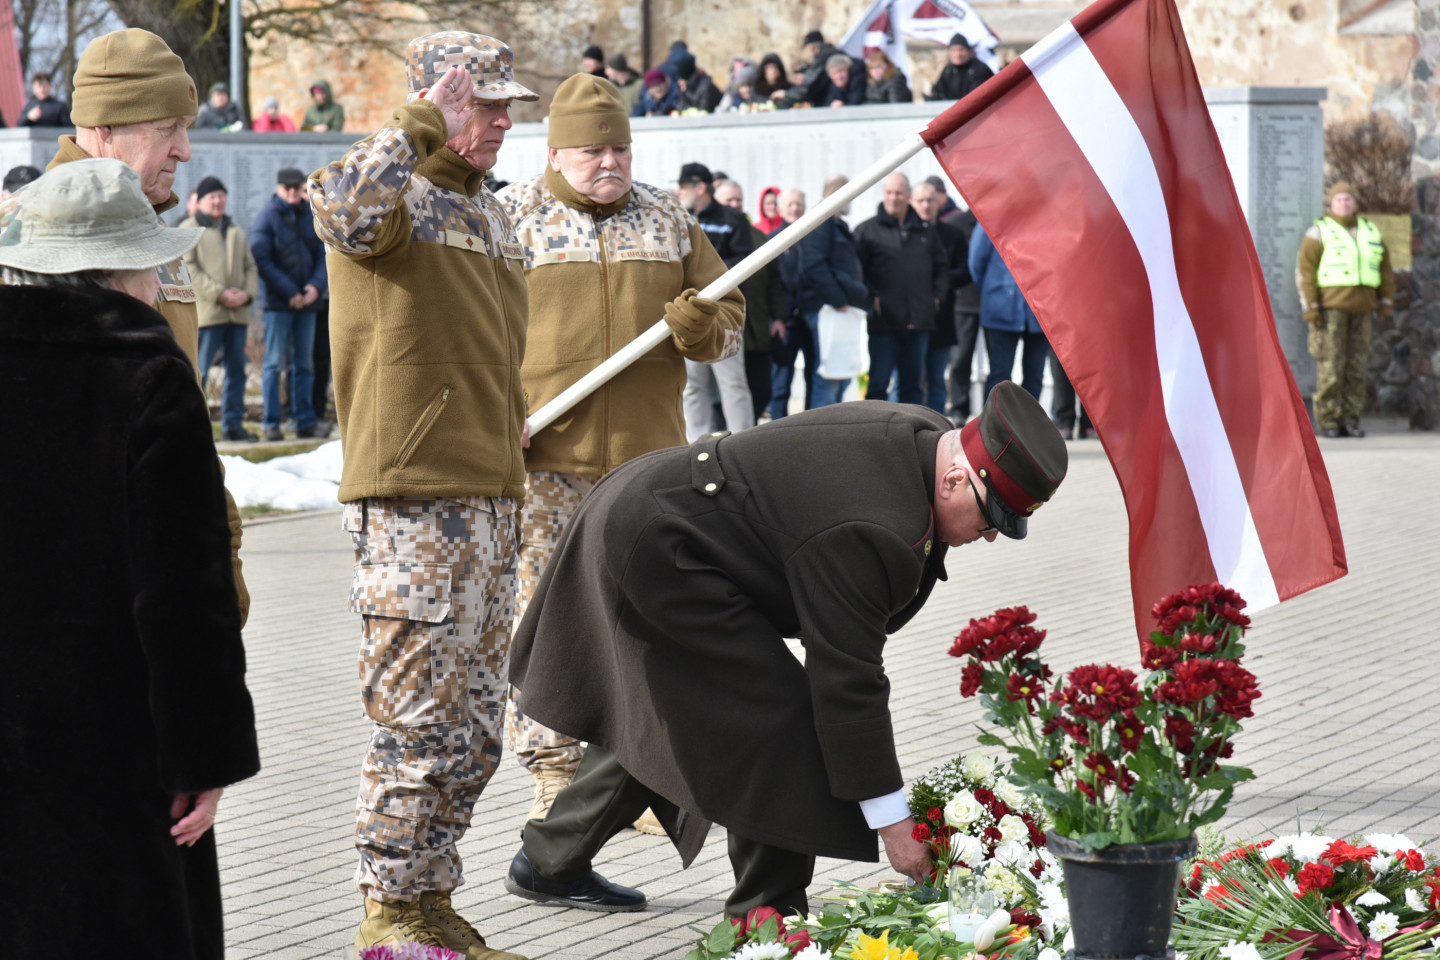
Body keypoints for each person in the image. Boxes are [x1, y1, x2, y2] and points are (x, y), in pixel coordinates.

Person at [503, 385, 1068, 919]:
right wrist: (896, 827)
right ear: (954, 478)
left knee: (679, 706)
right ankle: (768, 922)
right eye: (990, 518)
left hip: (664, 512)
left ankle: (549, 860)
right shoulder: (875, 525)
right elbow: (845, 683)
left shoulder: (928, 437)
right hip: (660, 544)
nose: (989, 537)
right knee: (778, 723)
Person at [309, 31, 537, 959]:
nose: (504, 121)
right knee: (416, 726)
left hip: (491, 493)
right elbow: (343, 210)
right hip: (414, 502)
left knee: (474, 732)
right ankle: (388, 913)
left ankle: (428, 901)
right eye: (486, 105)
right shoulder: (391, 193)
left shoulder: (491, 212)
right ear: (438, 103)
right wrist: (414, 127)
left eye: (508, 105)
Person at [0, 156, 260, 960]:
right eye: (152, 264)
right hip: (114, 739)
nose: (159, 282)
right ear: (120, 270)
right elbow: (184, 592)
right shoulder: (144, 372)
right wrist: (206, 754)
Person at [496, 74, 745, 831]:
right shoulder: (511, 218)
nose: (610, 162)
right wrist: (500, 410)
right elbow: (473, 335)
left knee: (641, 617)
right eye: (591, 151)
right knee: (548, 618)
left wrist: (703, 328)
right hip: (545, 463)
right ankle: (553, 774)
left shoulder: (670, 220)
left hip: (646, 463)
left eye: (621, 149)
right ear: (554, 152)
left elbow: (730, 322)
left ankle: (634, 779)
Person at [3, 27, 252, 627]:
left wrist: (221, 558)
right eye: (168, 128)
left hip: (174, 569)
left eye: (186, 128)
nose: (185, 150)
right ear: (106, 128)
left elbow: (186, 418)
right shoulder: (23, 240)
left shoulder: (158, 237)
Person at [1296, 180, 1395, 438]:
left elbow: (1385, 270)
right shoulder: (1319, 232)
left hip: (1363, 310)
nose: (1344, 203)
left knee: (1356, 367)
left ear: (1355, 203)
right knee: (1331, 365)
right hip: (1331, 311)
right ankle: (1329, 421)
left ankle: (1351, 420)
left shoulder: (1370, 231)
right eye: (1339, 199)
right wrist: (1311, 307)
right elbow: (1305, 271)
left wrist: (1386, 301)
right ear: (1331, 204)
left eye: (1348, 199)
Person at [855, 173, 948, 406]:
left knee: (913, 388)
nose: (893, 198)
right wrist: (870, 298)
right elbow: (855, 271)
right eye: (889, 192)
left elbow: (942, 268)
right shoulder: (867, 230)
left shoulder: (926, 231)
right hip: (883, 322)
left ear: (908, 196)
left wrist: (936, 298)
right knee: (878, 385)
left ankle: (910, 429)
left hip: (918, 323)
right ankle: (874, 429)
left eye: (898, 193)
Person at [676, 170, 755, 438]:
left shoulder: (732, 219)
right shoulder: (679, 218)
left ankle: (742, 442)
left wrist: (708, 277)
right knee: (692, 384)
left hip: (723, 312)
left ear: (700, 188)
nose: (679, 191)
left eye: (684, 185)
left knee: (732, 382)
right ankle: (696, 441)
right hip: (688, 311)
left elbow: (746, 262)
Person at [779, 176, 869, 409]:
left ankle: (831, 425)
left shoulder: (835, 223)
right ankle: (823, 428)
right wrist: (838, 299)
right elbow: (814, 266)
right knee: (829, 377)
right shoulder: (821, 220)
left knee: (840, 375)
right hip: (826, 309)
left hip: (836, 310)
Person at [250, 167, 326, 441]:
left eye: (297, 187)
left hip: (308, 303)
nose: (293, 192)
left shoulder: (312, 216)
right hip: (278, 304)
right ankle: (272, 424)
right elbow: (262, 258)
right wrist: (291, 292)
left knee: (304, 365)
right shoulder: (267, 217)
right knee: (273, 365)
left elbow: (324, 253)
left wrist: (315, 287)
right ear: (279, 188)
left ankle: (304, 421)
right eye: (288, 188)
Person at [181, 175, 259, 442]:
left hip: (237, 314)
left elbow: (250, 266)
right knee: (200, 372)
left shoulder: (236, 230)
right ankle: (195, 428)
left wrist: (246, 295)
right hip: (208, 314)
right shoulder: (189, 229)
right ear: (201, 201)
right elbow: (189, 267)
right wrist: (220, 293)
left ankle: (233, 425)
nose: (218, 201)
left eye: (221, 196)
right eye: (212, 197)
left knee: (237, 373)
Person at [703, 178, 785, 424]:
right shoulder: (707, 234)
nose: (735, 204)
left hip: (756, 329)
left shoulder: (758, 236)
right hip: (723, 327)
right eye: (729, 200)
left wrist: (779, 317)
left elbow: (774, 280)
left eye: (739, 199)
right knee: (719, 394)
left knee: (760, 390)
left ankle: (746, 439)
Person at [924, 175, 983, 423]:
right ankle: (956, 409)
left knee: (997, 368)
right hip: (959, 304)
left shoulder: (954, 229)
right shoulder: (957, 224)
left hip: (979, 305)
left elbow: (966, 268)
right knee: (957, 361)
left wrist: (944, 280)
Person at [969, 221, 1047, 400]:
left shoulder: (1047, 219)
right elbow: (976, 263)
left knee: (1035, 375)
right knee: (1000, 374)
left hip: (1039, 313)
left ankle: (1029, 418)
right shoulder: (991, 219)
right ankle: (994, 418)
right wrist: (995, 292)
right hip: (1001, 309)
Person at [909, 180, 967, 415]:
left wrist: (939, 284)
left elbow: (966, 272)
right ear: (912, 202)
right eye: (921, 200)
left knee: (937, 379)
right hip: (909, 321)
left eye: (930, 200)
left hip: (941, 318)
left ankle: (935, 426)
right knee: (910, 380)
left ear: (939, 202)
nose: (926, 205)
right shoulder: (903, 233)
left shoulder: (952, 234)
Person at [767, 187, 811, 419]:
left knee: (814, 378)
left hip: (810, 319)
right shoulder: (772, 240)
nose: (795, 208)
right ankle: (778, 428)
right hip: (784, 323)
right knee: (781, 382)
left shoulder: (813, 238)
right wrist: (776, 317)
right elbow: (770, 284)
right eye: (790, 204)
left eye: (799, 204)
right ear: (781, 209)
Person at [788, 30, 865, 106]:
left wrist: (786, 97)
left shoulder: (824, 59)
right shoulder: (833, 53)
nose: (839, 75)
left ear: (812, 48)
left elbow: (808, 85)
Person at [926, 34, 993, 101]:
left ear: (968, 51)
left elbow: (976, 98)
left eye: (961, 50)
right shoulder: (948, 70)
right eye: (953, 50)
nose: (957, 54)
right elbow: (938, 92)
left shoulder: (979, 69)